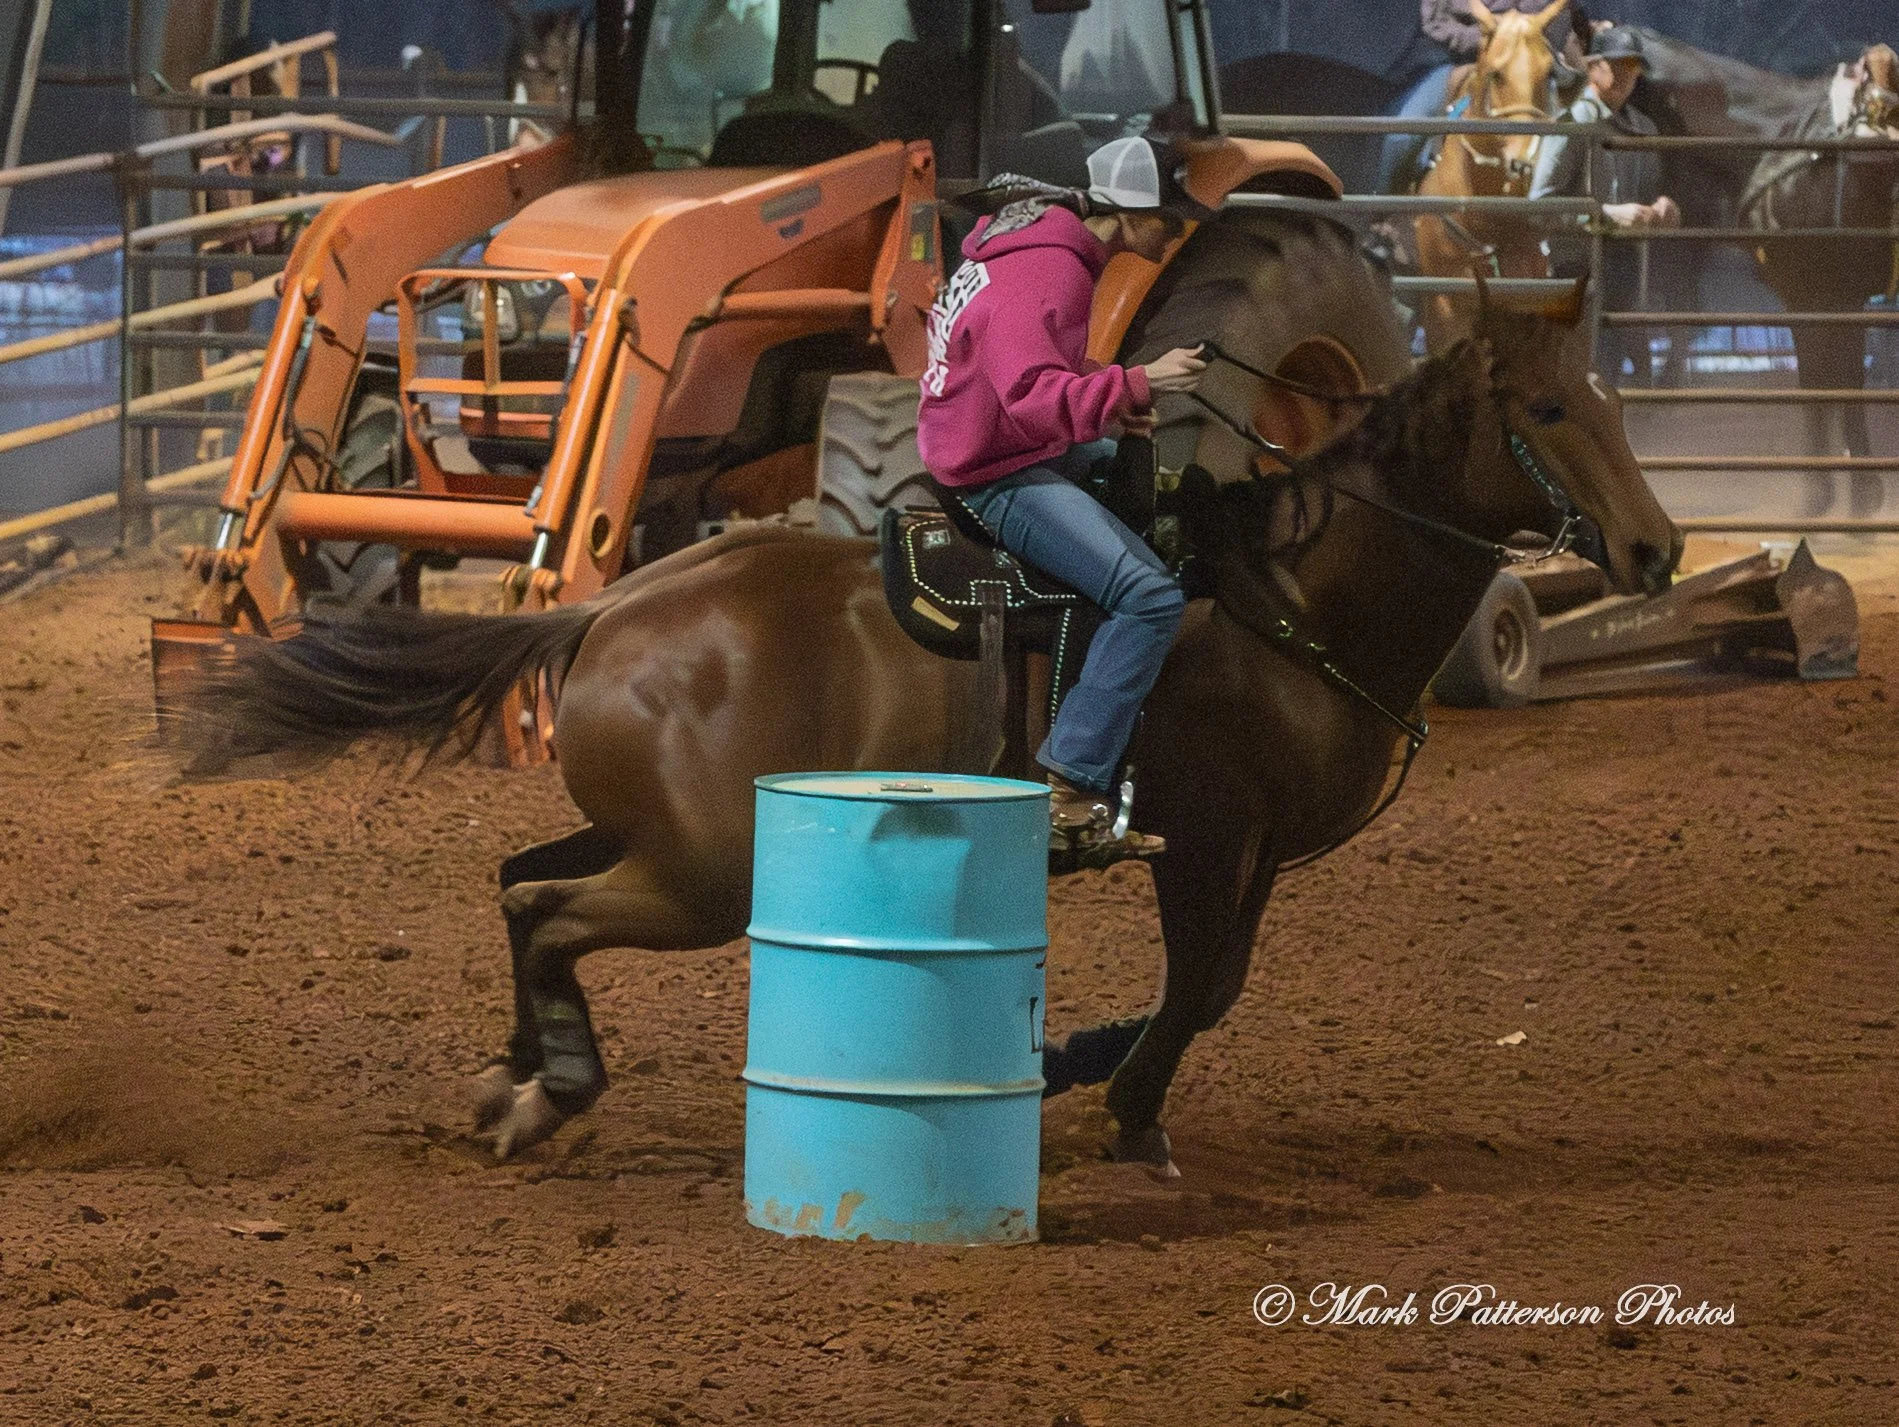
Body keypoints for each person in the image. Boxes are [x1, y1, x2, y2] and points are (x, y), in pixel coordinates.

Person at [915, 135, 1209, 864]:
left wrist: (1109, 404)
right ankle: (1071, 785)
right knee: (1150, 596)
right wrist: (1139, 384)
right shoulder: (1052, 270)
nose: (1173, 232)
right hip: (993, 468)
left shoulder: (1035, 247)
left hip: (986, 438)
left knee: (1133, 481)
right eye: (1166, 218)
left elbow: (1033, 366)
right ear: (1127, 212)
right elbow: (1027, 401)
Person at [1529, 25, 1680, 380]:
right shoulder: (1575, 122)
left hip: (1625, 273)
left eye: (1634, 67)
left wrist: (1664, 208)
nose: (1627, 75)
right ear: (1593, 66)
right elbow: (1539, 206)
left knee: (1609, 376)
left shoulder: (1643, 127)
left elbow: (1652, 188)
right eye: (1617, 64)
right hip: (1577, 273)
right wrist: (1608, 215)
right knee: (1581, 374)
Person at [1379, 0, 1584, 192]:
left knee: (1573, 127)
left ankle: (1572, 212)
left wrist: (1516, 41)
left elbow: (1557, 24)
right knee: (1402, 133)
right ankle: (1386, 210)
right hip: (1458, 60)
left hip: (1527, 64)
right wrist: (1489, 40)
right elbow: (1436, 24)